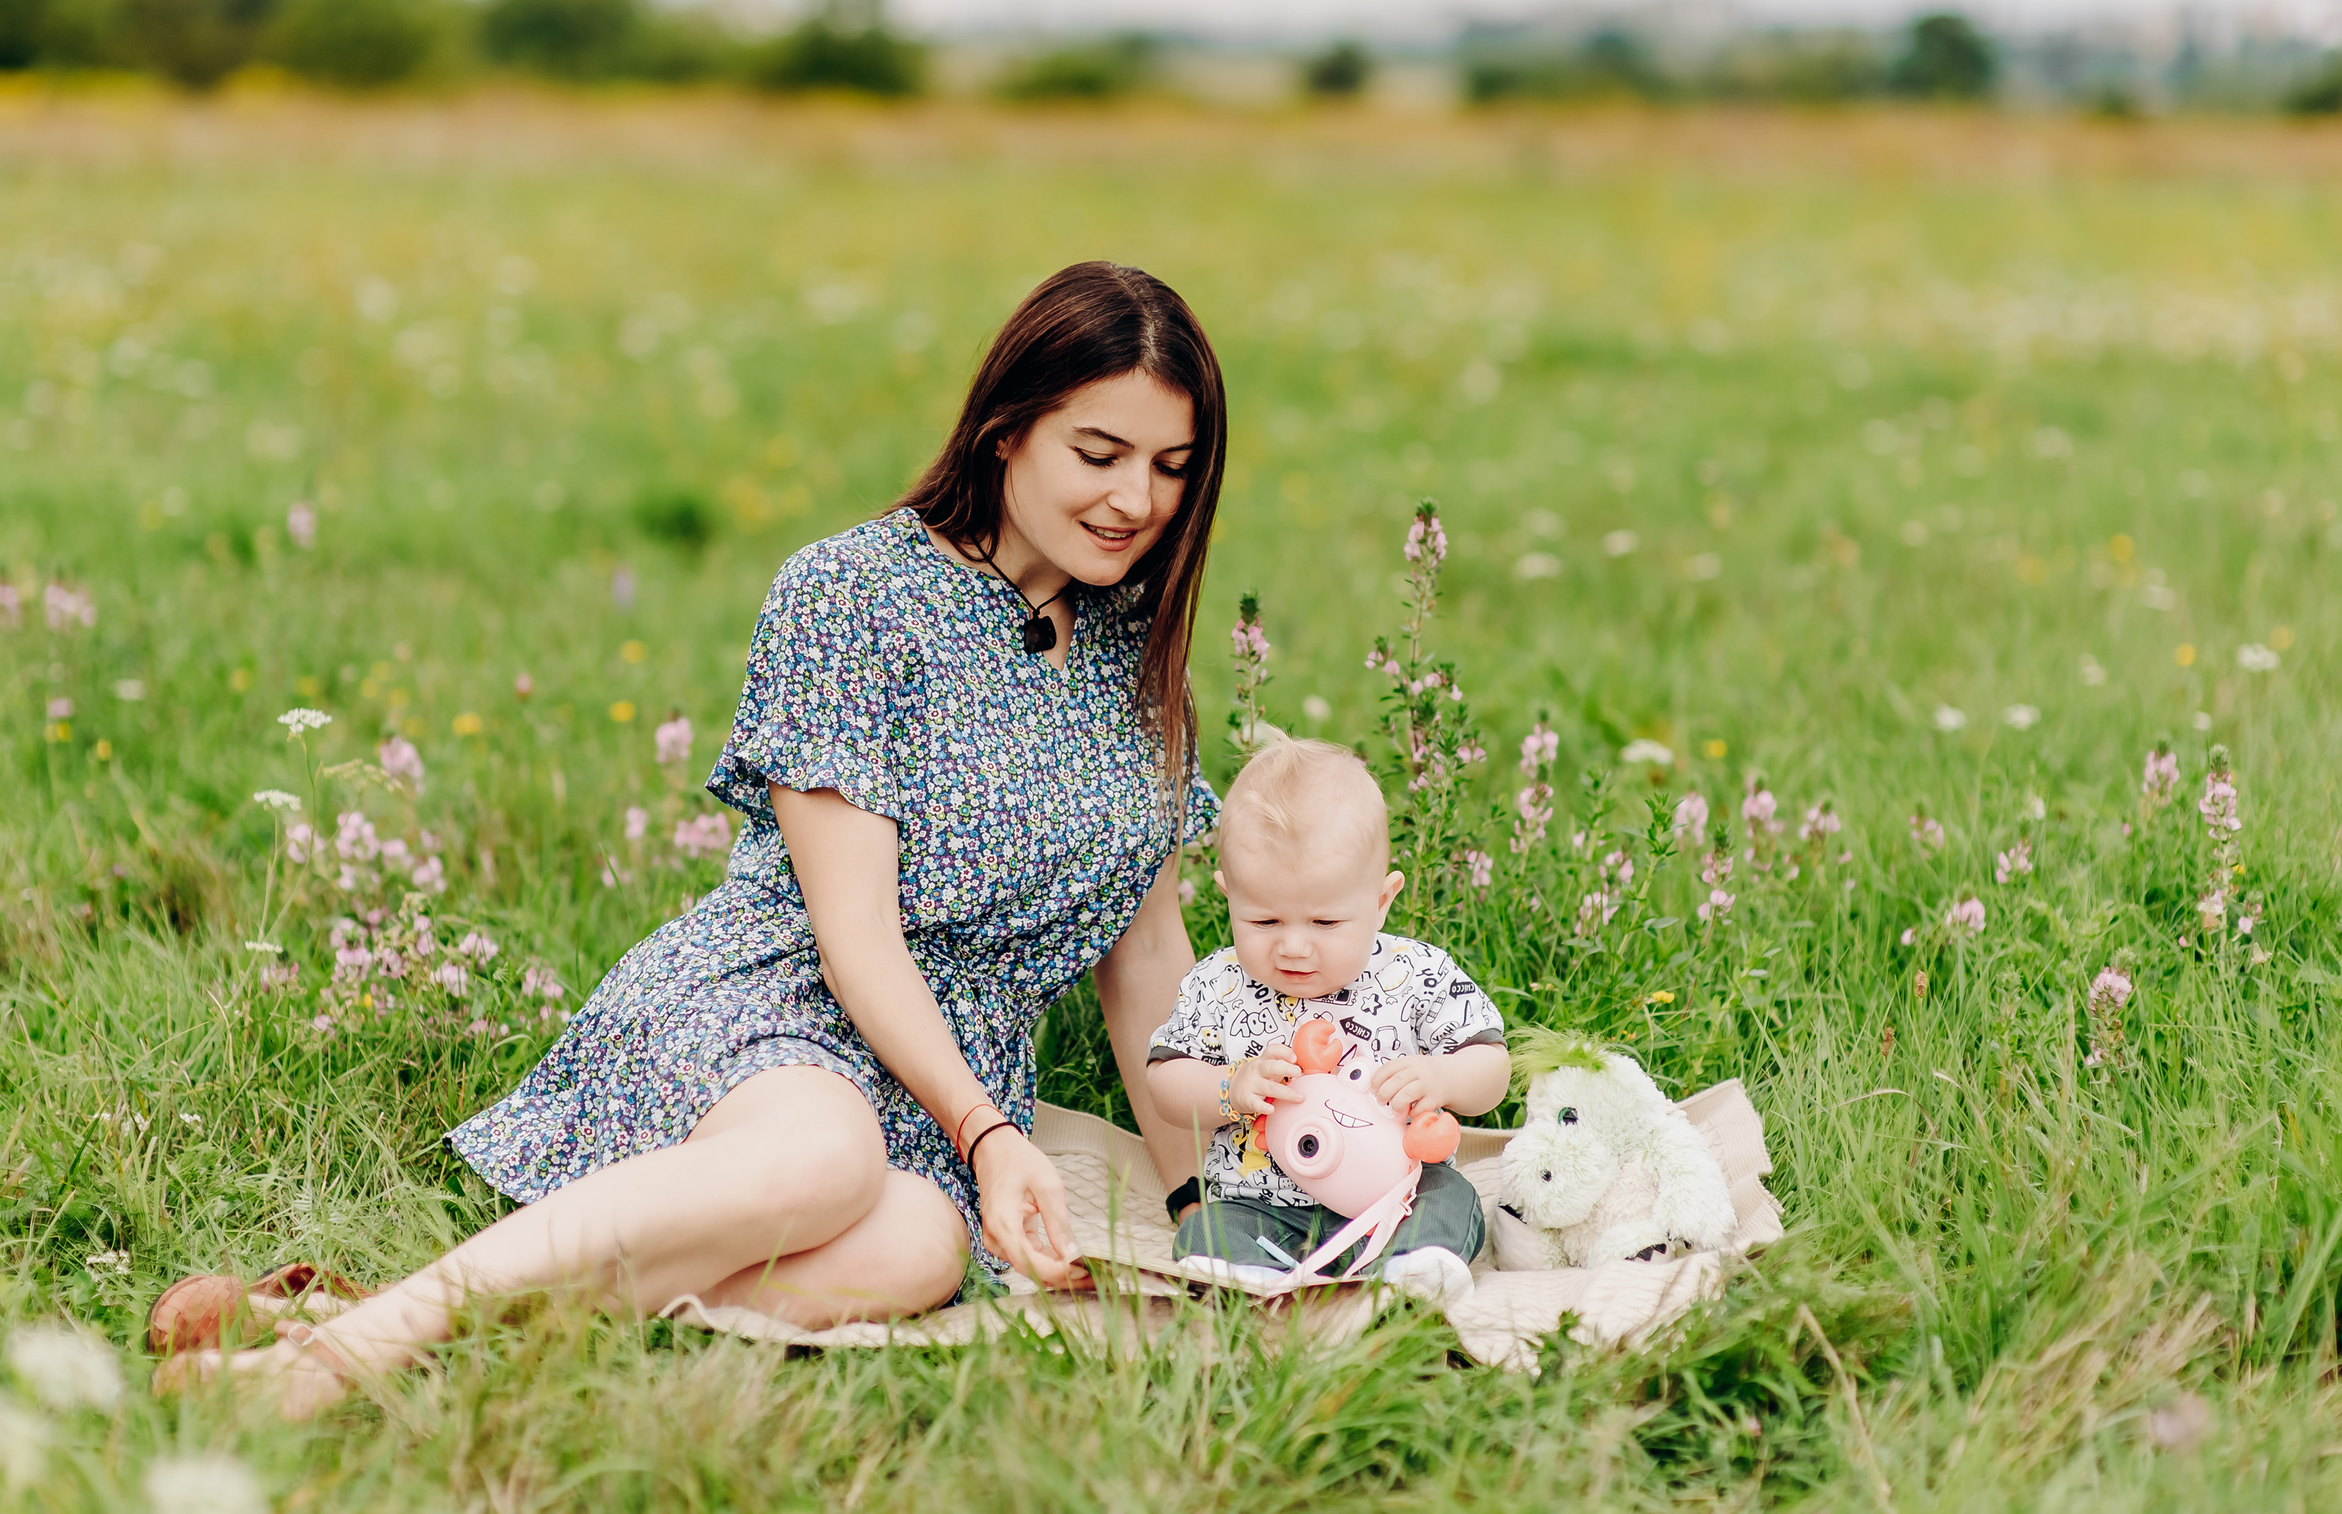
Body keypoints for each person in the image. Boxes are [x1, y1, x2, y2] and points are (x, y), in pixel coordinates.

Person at [155, 260, 1226, 1416]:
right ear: (1007, 429)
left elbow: (1146, 955)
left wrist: (1209, 1224)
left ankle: (358, 1319)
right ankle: (335, 1365)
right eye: (1100, 453)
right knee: (829, 1160)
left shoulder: (1135, 645)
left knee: (919, 1249)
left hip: (936, 1095)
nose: (1136, 500)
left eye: (1171, 467)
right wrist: (986, 1130)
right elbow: (853, 933)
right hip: (771, 1006)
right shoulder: (853, 592)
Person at [1144, 736, 1508, 1305]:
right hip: (1263, 1205)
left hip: (1396, 1197)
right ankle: (1254, 1275)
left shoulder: (1416, 973)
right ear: (1228, 897)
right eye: (1263, 921)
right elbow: (1164, 1080)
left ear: (1382, 900)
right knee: (1207, 1229)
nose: (1293, 947)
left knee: (1452, 1198)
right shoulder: (1218, 984)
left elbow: (1493, 1067)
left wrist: (1444, 1078)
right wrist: (1229, 1087)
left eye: (1325, 922)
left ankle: (1411, 1267)